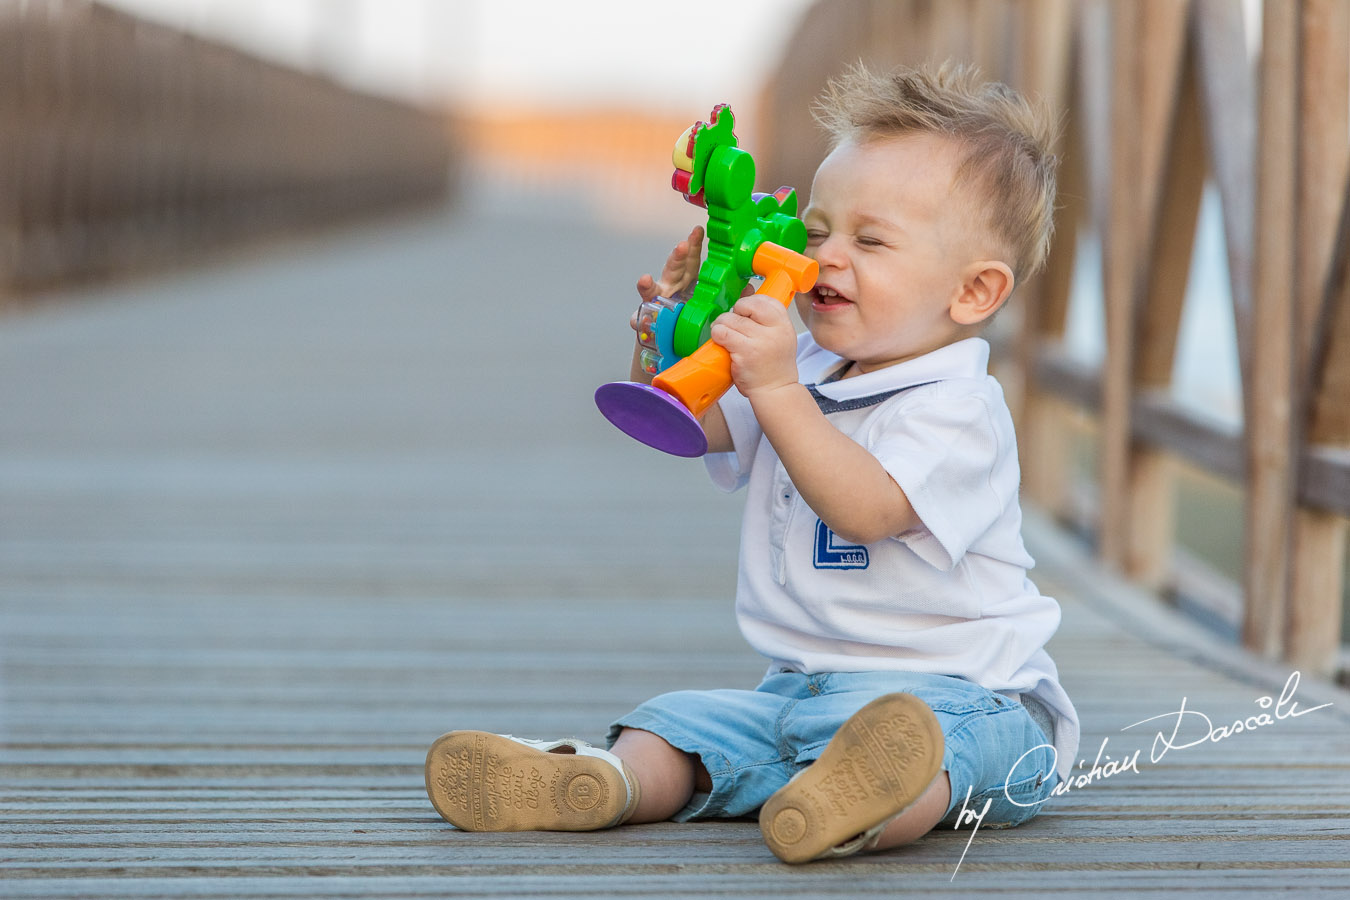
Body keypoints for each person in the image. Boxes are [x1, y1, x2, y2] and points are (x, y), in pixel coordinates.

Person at [424, 61, 1079, 864]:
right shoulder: (800, 366)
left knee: (936, 750)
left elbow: (866, 507)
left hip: (976, 699)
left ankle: (863, 802)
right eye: (814, 231)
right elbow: (683, 425)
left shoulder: (955, 408)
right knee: (674, 724)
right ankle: (602, 782)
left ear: (973, 292)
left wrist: (772, 383)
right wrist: (666, 331)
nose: (825, 257)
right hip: (801, 694)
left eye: (870, 241)